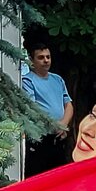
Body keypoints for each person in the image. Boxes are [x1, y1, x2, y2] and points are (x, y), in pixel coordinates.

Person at [22, 42, 74, 175]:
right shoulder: (27, 81)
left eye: (48, 57)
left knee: (59, 176)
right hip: (41, 138)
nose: (46, 60)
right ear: (32, 60)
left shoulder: (58, 79)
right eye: (41, 57)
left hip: (59, 137)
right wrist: (53, 125)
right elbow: (32, 109)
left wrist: (63, 124)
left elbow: (68, 105)